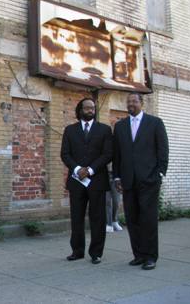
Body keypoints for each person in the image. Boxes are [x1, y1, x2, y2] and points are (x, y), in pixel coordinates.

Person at [113, 92, 168, 271]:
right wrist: (117, 176)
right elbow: (117, 154)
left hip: (149, 180)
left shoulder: (155, 123)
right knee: (132, 219)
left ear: (141, 103)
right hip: (128, 181)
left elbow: (163, 150)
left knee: (148, 219)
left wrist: (159, 174)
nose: (131, 104)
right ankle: (138, 255)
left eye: (134, 101)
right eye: (128, 101)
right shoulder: (120, 126)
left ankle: (150, 257)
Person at [61, 98, 113, 264]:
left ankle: (96, 253)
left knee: (97, 218)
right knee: (76, 217)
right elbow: (65, 154)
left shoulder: (104, 130)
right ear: (80, 110)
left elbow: (107, 154)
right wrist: (77, 170)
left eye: (93, 108)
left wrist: (89, 170)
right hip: (76, 181)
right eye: (87, 108)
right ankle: (77, 251)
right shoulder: (70, 130)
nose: (91, 110)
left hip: (96, 180)